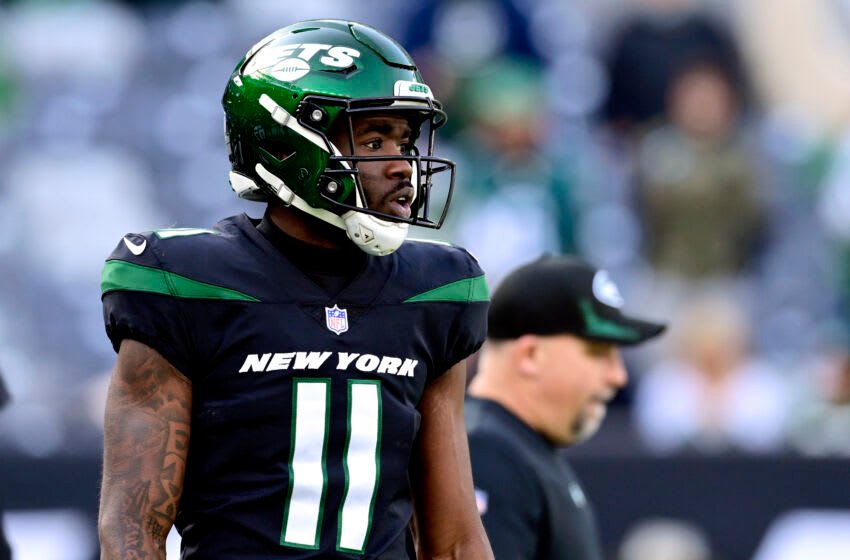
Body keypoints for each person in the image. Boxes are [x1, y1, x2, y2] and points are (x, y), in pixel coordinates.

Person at [98, 19, 493, 560]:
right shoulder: (183, 282)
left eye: (405, 141)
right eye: (375, 140)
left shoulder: (436, 293)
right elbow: (133, 530)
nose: (404, 167)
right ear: (287, 142)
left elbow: (454, 540)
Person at [465, 255, 666, 559]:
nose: (618, 376)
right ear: (530, 355)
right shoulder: (489, 455)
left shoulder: (518, 448)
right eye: (599, 352)